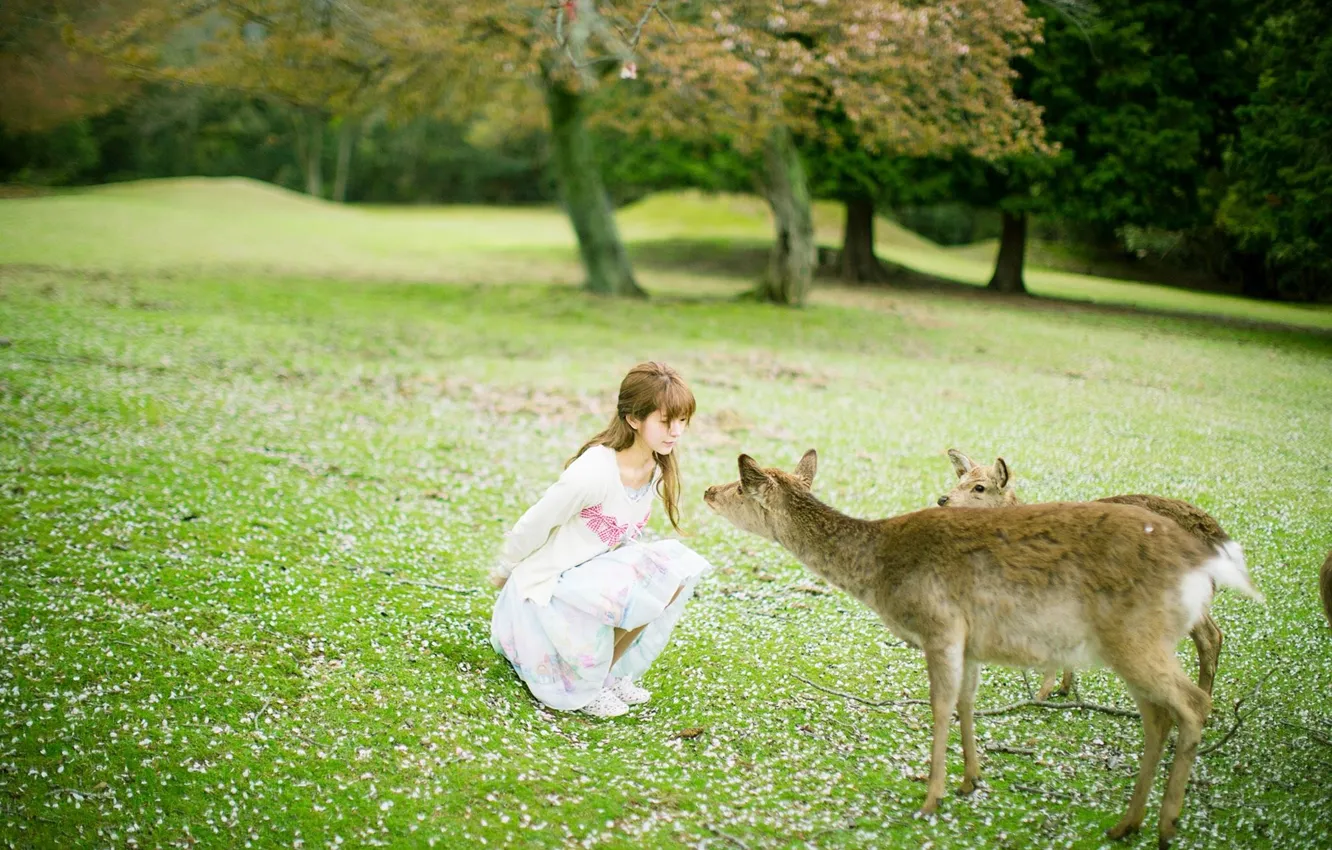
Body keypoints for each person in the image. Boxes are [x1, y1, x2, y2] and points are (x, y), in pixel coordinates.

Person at [489, 362, 714, 717]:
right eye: (665, 421)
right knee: (645, 573)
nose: (676, 432)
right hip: (548, 587)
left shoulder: (654, 467)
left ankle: (604, 675)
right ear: (633, 419)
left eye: (682, 421)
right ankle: (588, 685)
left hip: (589, 581)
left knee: (672, 572)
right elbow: (535, 522)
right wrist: (505, 569)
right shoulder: (594, 471)